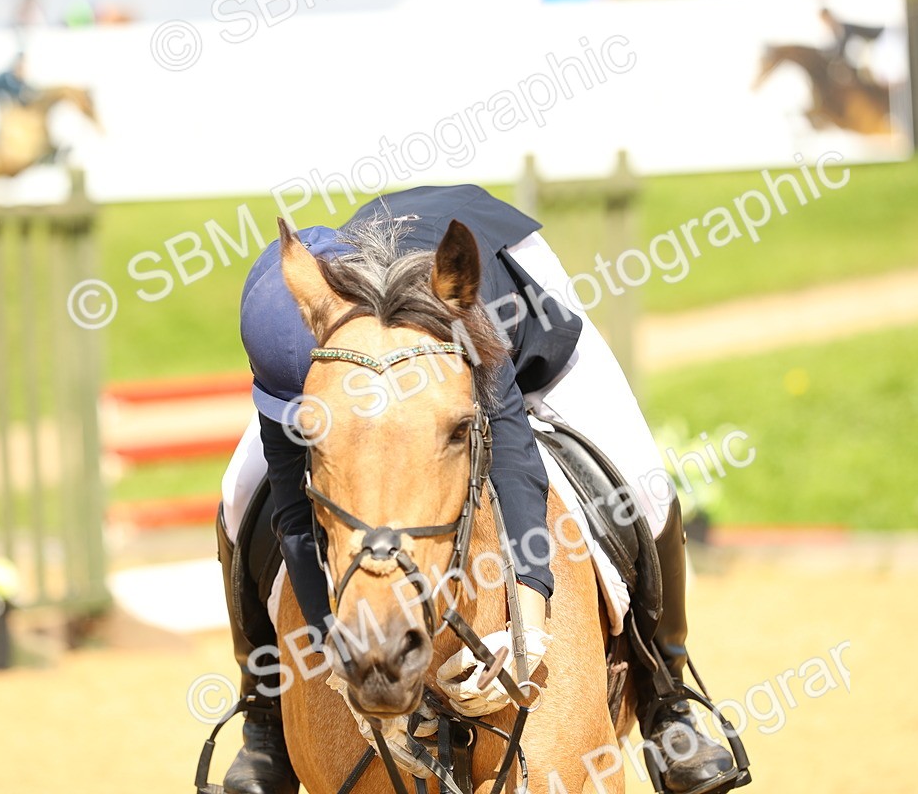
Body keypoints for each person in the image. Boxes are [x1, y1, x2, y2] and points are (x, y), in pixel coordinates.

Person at [217, 185, 737, 794]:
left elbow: (513, 453)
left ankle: (668, 702)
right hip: (353, 340)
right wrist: (331, 640)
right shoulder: (285, 346)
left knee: (642, 480)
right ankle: (263, 721)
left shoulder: (471, 311)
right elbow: (294, 511)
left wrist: (532, 607)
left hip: (500, 307)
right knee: (237, 493)